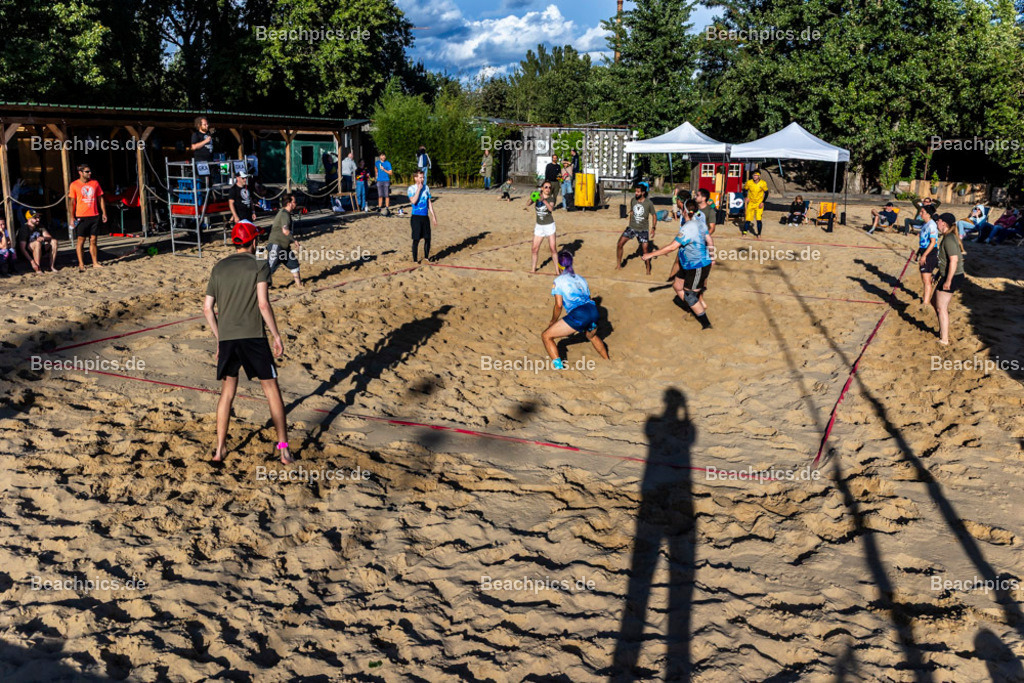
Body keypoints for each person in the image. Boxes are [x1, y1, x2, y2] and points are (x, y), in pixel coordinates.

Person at [203, 220, 293, 464]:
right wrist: (276, 335)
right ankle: (283, 449)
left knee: (227, 392)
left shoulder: (219, 267)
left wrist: (219, 337)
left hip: (229, 337)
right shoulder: (260, 265)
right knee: (271, 390)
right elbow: (263, 304)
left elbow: (208, 308)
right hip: (254, 336)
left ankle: (219, 450)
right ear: (254, 242)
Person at [643, 200, 715, 330]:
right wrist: (712, 255)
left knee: (690, 296)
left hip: (697, 265)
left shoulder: (688, 228)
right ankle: (695, 307)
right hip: (687, 264)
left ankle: (706, 324)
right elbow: (709, 239)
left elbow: (672, 247)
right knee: (677, 286)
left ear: (685, 211)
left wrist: (651, 254)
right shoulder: (700, 222)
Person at [541, 250, 609, 369]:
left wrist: (553, 321)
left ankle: (559, 368)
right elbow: (588, 298)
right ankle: (607, 360)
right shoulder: (581, 278)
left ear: (559, 265)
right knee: (592, 336)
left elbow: (558, 305)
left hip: (580, 314)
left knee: (546, 336)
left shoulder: (559, 281)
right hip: (593, 310)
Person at [931, 213, 965, 346]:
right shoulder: (946, 237)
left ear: (943, 223)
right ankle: (943, 330)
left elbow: (954, 261)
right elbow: (944, 261)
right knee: (935, 302)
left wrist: (948, 281)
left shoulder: (949, 238)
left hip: (953, 276)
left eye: (938, 221)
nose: (936, 223)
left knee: (941, 307)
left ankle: (944, 339)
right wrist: (938, 274)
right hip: (948, 274)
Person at [69, 164, 107, 271]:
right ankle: (81, 264)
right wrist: (71, 217)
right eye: (87, 171)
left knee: (94, 240)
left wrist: (104, 213)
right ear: (80, 173)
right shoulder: (74, 185)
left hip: (94, 215)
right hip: (81, 216)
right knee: (81, 240)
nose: (89, 173)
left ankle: (95, 262)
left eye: (90, 171)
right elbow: (72, 202)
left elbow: (100, 198)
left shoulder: (95, 183)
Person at [616, 183, 657, 274]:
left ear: (643, 192)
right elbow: (632, 212)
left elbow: (654, 215)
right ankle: (619, 265)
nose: (636, 193)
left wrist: (653, 228)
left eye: (638, 192)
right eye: (635, 191)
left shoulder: (648, 203)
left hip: (643, 230)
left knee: (645, 251)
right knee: (619, 244)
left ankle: (648, 268)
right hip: (632, 228)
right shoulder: (633, 200)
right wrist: (630, 221)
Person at [266, 194, 302, 288]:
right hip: (276, 245)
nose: (296, 204)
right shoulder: (284, 214)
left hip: (284, 247)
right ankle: (259, 287)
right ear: (289, 203)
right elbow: (285, 230)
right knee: (269, 268)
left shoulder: (285, 214)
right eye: (294, 202)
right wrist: (294, 240)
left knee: (294, 264)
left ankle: (299, 285)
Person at [524, 181, 558, 274]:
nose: (548, 189)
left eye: (549, 187)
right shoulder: (537, 196)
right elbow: (527, 204)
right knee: (534, 249)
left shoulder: (551, 198)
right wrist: (532, 198)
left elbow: (551, 209)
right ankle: (533, 269)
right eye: (546, 187)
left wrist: (543, 200)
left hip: (549, 226)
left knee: (553, 248)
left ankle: (557, 271)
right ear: (542, 188)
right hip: (539, 226)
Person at [407, 169, 438, 263]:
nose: (422, 179)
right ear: (415, 178)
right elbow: (413, 201)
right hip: (416, 216)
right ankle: (415, 260)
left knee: (428, 238)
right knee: (416, 239)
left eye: (423, 177)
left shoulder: (427, 188)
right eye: (420, 177)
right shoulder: (411, 188)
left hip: (425, 216)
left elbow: (429, 202)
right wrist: (419, 189)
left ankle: (426, 257)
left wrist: (433, 215)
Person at [915, 205, 939, 308]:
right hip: (925, 250)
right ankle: (933, 279)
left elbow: (933, 242)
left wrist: (924, 255)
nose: (920, 214)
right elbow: (923, 242)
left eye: (922, 212)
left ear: (928, 214)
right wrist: (918, 253)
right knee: (924, 277)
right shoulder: (925, 224)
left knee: (926, 279)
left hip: (930, 252)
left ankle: (925, 303)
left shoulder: (931, 225)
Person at [742, 170, 768, 236]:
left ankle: (759, 234)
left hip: (759, 203)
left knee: (758, 219)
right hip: (751, 203)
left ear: (759, 176)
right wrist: (745, 197)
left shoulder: (763, 183)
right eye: (754, 175)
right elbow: (744, 190)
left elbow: (766, 192)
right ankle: (744, 232)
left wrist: (763, 202)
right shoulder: (749, 182)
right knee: (748, 218)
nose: (755, 177)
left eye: (756, 175)